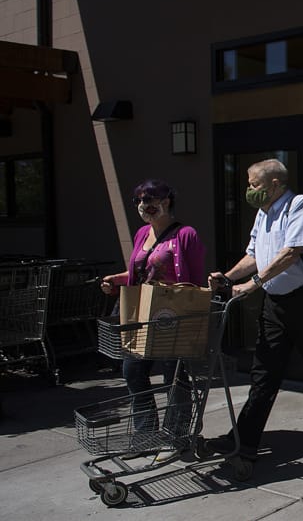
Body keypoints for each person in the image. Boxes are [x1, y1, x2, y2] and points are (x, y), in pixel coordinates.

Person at [207, 158, 303, 460]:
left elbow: (291, 253)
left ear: (274, 184)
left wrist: (252, 284)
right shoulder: (263, 213)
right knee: (264, 370)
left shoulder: (299, 205)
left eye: (254, 184)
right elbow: (254, 255)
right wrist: (228, 278)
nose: (249, 189)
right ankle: (244, 441)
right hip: (276, 301)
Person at [100, 179, 206, 458]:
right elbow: (139, 273)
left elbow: (194, 281)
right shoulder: (141, 234)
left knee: (175, 377)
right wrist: (117, 279)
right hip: (144, 315)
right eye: (139, 201)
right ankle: (146, 434)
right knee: (132, 371)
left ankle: (176, 437)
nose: (144, 206)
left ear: (166, 201)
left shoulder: (185, 235)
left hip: (173, 316)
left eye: (150, 200)